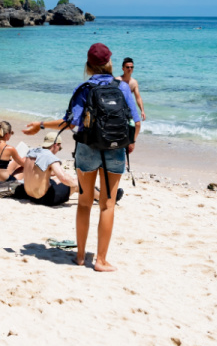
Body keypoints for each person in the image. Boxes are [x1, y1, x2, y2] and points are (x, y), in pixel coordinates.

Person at [23, 43, 140, 272]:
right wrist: (131, 142)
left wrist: (41, 125)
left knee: (85, 204)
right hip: (115, 149)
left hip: (87, 149)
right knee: (107, 206)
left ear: (88, 65)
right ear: (110, 63)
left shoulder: (83, 87)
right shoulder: (123, 87)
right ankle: (101, 260)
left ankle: (79, 257)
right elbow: (135, 122)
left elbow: (71, 123)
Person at [12, 131, 78, 206]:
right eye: (59, 148)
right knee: (78, 183)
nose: (58, 151)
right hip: (44, 198)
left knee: (56, 180)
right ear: (56, 145)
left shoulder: (31, 152)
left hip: (30, 195)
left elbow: (36, 172)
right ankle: (94, 195)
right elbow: (63, 178)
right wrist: (74, 183)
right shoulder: (50, 157)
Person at [0, 121, 24, 187]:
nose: (11, 135)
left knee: (14, 162)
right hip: (4, 184)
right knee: (24, 166)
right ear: (6, 134)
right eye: (11, 133)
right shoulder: (10, 148)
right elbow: (23, 163)